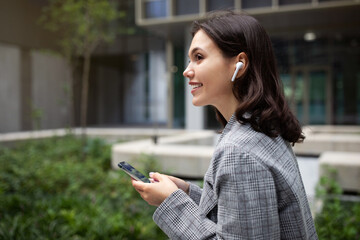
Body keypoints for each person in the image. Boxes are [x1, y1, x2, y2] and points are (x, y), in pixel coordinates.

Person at [131, 10, 318, 239]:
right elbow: (243, 216)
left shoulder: (239, 152)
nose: (187, 70)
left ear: (239, 64)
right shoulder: (263, 130)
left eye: (199, 57)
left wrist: (171, 203)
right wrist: (187, 193)